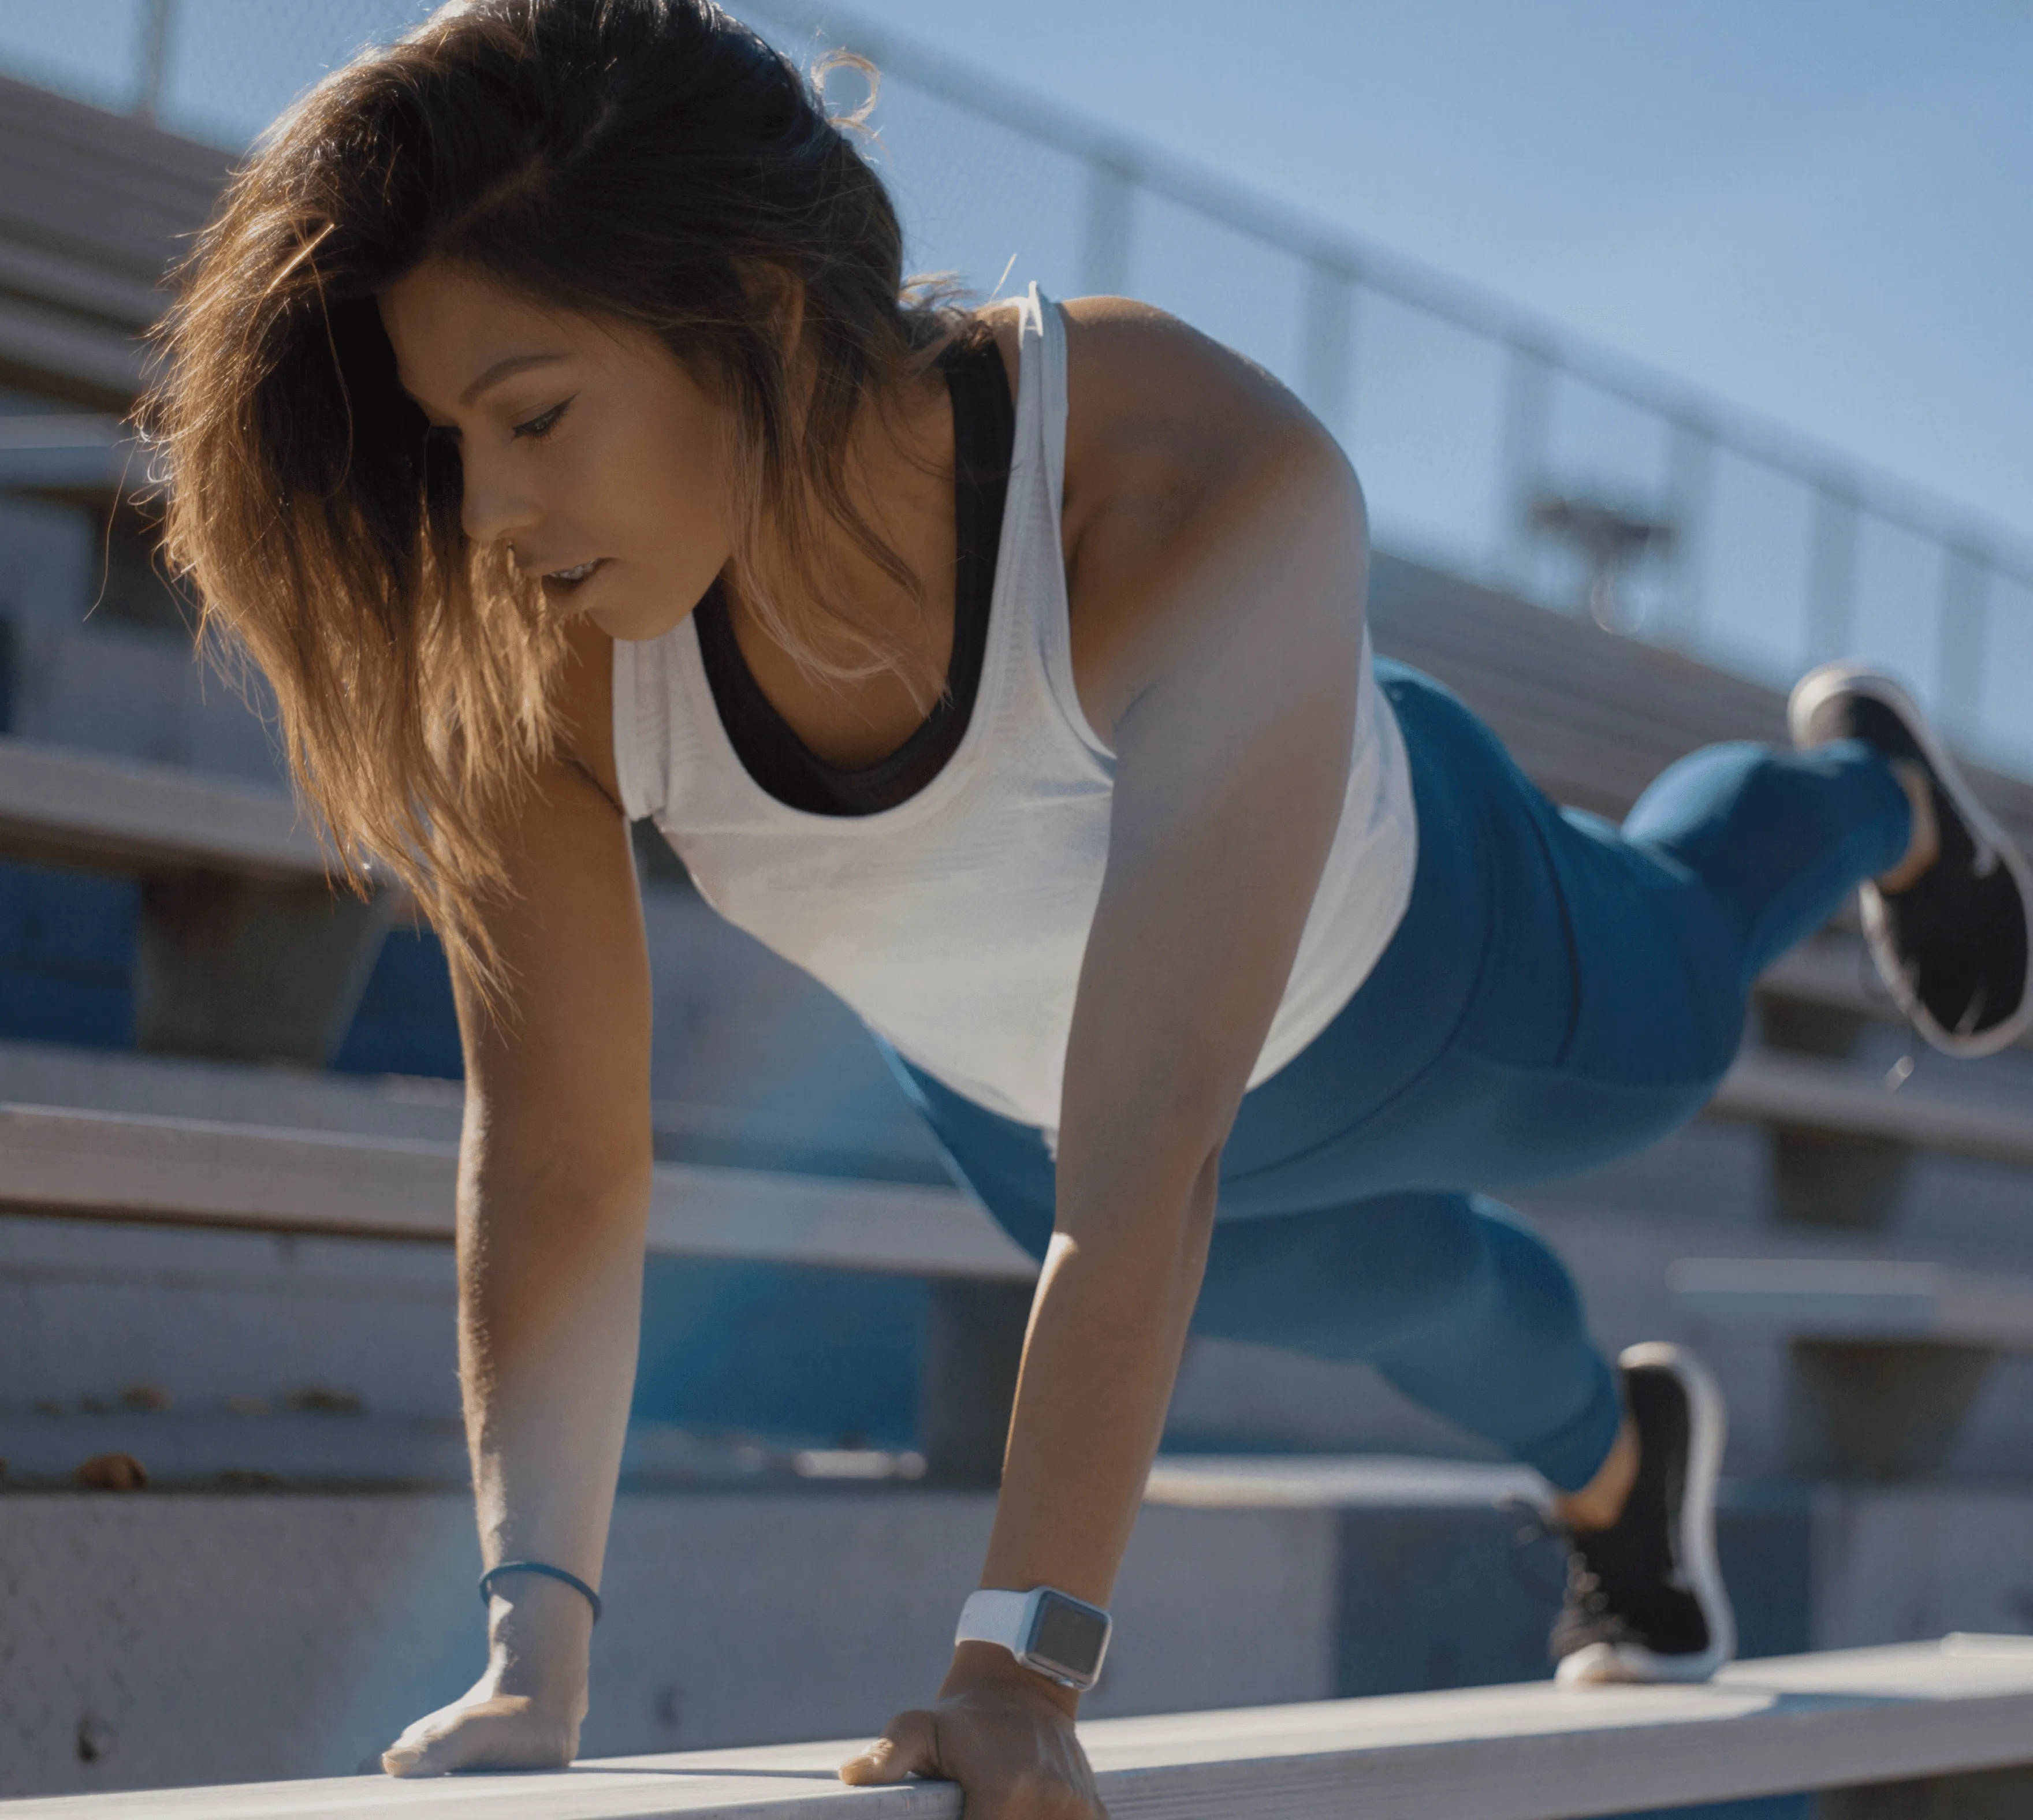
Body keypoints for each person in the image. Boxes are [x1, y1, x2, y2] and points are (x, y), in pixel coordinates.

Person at [143, 1, 2032, 1811]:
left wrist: (1019, 1670)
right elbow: (559, 1157)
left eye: (533, 414)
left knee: (1685, 1003)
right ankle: (1626, 1480)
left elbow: (1149, 1178)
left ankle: (1873, 795)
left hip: (1420, 967)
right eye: (446, 436)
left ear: (763, 315)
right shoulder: (535, 648)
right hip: (1027, 1112)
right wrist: (527, 1653)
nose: (480, 507)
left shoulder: (1183, 480)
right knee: (1421, 1296)